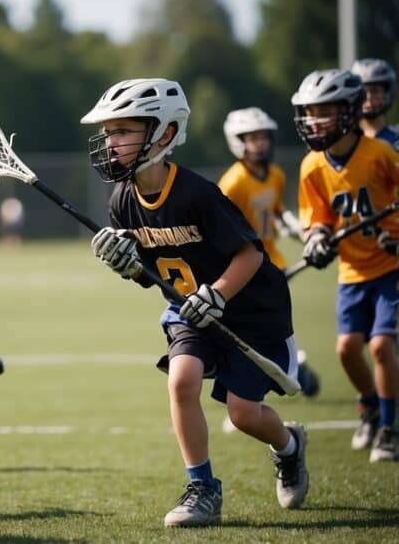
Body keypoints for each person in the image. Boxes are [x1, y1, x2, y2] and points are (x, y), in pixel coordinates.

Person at [83, 78, 309, 528]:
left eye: (123, 131)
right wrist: (127, 266)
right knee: (182, 379)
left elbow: (250, 254)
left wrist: (218, 294)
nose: (111, 143)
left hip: (247, 309)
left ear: (163, 134)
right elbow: (150, 276)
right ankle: (202, 487)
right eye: (109, 133)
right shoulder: (122, 201)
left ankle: (288, 446)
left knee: (244, 415)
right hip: (188, 309)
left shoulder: (199, 195)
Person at [293, 69, 399, 463]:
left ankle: (389, 429)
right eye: (310, 112)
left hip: (390, 268)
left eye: (324, 111)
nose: (315, 121)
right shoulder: (312, 166)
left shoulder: (381, 154)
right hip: (352, 272)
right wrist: (318, 239)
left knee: (382, 345)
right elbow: (316, 216)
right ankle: (369, 407)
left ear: (349, 111)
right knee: (346, 349)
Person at [217, 107, 319, 398]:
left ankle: (279, 374)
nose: (260, 143)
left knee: (266, 327)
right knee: (249, 330)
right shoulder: (232, 183)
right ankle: (291, 369)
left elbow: (278, 212)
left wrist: (305, 234)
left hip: (272, 264)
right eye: (252, 138)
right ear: (238, 141)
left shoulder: (275, 174)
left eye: (263, 137)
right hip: (243, 267)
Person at [351, 58, 399, 149]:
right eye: (363, 91)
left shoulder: (396, 140)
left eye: (375, 91)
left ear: (388, 93)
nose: (368, 97)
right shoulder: (345, 142)